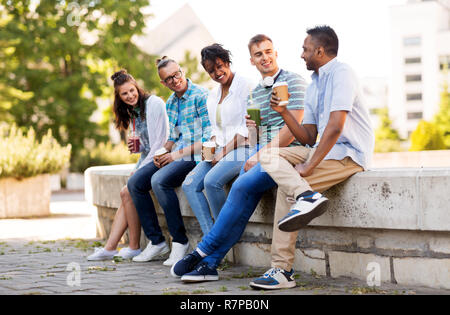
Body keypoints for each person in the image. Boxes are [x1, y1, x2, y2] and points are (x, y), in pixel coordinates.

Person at [171, 34, 307, 282]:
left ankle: (203, 252)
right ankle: (210, 263)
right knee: (237, 201)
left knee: (237, 188)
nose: (264, 57)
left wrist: (259, 154)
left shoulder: (292, 81)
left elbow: (293, 129)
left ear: (276, 53)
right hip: (261, 155)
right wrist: (253, 129)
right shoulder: (256, 92)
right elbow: (256, 135)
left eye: (268, 52)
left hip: (284, 156)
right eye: (258, 54)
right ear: (252, 60)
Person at [249, 25, 375, 290]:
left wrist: (309, 165)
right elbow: (308, 136)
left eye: (305, 49)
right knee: (268, 155)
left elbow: (335, 127)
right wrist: (284, 112)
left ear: (319, 50)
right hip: (321, 148)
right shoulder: (315, 83)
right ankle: (308, 196)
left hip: (349, 154)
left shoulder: (343, 73)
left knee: (287, 191)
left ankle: (281, 270)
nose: (301, 54)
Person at [127, 57, 211, 266]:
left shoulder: (201, 96)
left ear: (182, 71)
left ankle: (180, 242)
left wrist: (174, 155)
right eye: (169, 79)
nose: (175, 80)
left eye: (177, 74)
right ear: (163, 83)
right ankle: (156, 242)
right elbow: (173, 137)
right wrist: (162, 151)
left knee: (159, 181)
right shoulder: (171, 102)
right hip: (177, 154)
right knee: (135, 183)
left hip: (195, 156)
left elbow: (208, 139)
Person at [87, 69, 168, 261]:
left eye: (132, 91)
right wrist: (137, 148)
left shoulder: (154, 103)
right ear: (119, 97)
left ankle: (127, 246)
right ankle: (118, 247)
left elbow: (160, 142)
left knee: (129, 189)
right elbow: (145, 146)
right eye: (125, 94)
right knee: (126, 192)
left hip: (162, 156)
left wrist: (139, 169)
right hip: (148, 157)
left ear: (137, 87)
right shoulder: (133, 111)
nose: (130, 96)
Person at [181, 44, 252, 235]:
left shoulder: (245, 85)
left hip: (243, 147)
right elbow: (215, 129)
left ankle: (223, 235)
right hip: (220, 149)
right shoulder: (213, 95)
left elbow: (247, 128)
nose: (217, 72)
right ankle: (210, 236)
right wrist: (209, 152)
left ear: (227, 62)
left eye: (220, 66)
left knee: (211, 181)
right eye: (211, 70)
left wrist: (222, 152)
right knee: (189, 184)